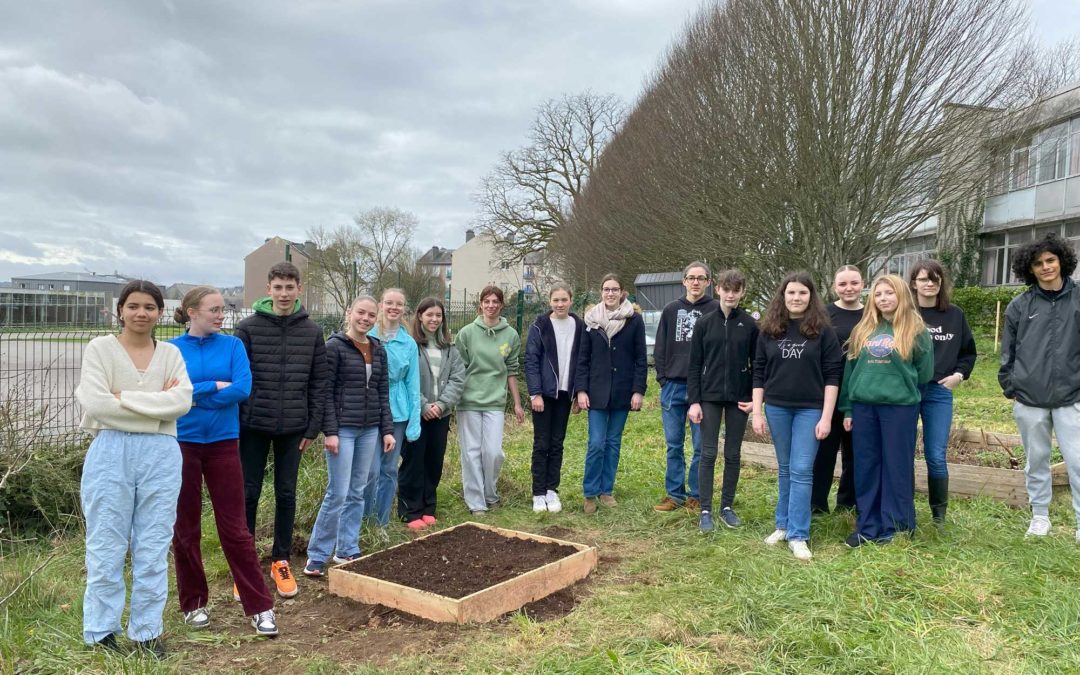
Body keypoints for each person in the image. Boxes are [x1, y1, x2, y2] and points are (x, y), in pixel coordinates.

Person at [76, 280, 193, 657]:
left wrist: (122, 399)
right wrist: (155, 406)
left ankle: (146, 631)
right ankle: (101, 630)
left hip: (161, 454)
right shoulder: (101, 350)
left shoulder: (171, 354)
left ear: (160, 312)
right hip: (110, 452)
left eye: (149, 307)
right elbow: (96, 403)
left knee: (153, 543)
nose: (141, 313)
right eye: (133, 306)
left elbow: (181, 401)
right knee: (106, 543)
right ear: (120, 310)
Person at [170, 287, 278, 637]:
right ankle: (193, 603)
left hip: (223, 443)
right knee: (185, 529)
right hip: (181, 443)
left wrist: (195, 396)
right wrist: (211, 387)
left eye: (223, 309)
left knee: (235, 529)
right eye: (214, 310)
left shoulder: (233, 346)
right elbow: (171, 394)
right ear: (191, 313)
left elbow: (242, 388)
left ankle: (260, 607)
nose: (221, 315)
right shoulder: (171, 350)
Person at [236, 262, 327, 598]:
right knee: (249, 493)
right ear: (268, 289)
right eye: (278, 287)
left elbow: (319, 383)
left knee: (286, 494)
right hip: (253, 426)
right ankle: (244, 566)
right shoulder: (247, 329)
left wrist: (312, 427)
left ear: (299, 290)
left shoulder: (312, 332)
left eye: (290, 288)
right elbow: (238, 379)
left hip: (294, 428)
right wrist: (242, 418)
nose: (284, 294)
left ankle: (280, 560)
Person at [752, 272, 843, 561]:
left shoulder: (823, 331)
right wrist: (757, 411)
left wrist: (826, 417)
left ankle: (799, 534)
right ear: (782, 296)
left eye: (802, 293)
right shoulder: (769, 329)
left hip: (810, 409)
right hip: (777, 407)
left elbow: (832, 376)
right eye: (790, 293)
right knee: (785, 468)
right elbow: (758, 372)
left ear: (811, 297)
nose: (796, 298)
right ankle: (782, 524)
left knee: (803, 470)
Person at [303, 296, 395, 576]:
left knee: (357, 490)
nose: (365, 319)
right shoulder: (334, 348)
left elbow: (382, 392)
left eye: (370, 315)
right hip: (342, 430)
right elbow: (325, 393)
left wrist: (387, 430)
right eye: (360, 313)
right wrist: (330, 432)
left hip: (369, 429)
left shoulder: (378, 349)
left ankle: (346, 549)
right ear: (349, 313)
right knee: (338, 492)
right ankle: (317, 555)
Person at [840, 275, 934, 547]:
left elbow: (924, 372)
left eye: (889, 293)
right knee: (866, 466)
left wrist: (903, 393)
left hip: (899, 408)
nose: (883, 298)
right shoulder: (864, 330)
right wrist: (848, 409)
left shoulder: (916, 330)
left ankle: (896, 527)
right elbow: (850, 372)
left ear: (901, 296)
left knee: (896, 467)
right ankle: (868, 525)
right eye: (878, 294)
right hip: (864, 407)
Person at [998, 233, 1080, 540]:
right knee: (1037, 460)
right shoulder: (1019, 306)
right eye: (1038, 263)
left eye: (1050, 260)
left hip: (1073, 396)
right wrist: (1011, 386)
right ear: (1029, 269)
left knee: (1078, 460)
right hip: (1030, 399)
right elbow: (1008, 353)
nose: (1045, 267)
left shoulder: (1079, 298)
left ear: (1061, 261)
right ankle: (1040, 517)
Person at [687, 269, 757, 532]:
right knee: (708, 452)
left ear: (742, 293)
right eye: (726, 289)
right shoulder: (704, 323)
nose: (730, 294)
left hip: (739, 399)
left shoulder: (749, 325)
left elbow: (758, 365)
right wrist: (694, 401)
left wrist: (753, 397)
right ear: (717, 289)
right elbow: (694, 365)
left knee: (733, 454)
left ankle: (727, 506)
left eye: (735, 290)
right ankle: (705, 509)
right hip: (710, 397)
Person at [909, 260, 977, 526]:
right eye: (924, 279)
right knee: (903, 452)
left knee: (935, 455)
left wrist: (959, 376)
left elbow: (968, 352)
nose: (929, 284)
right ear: (913, 283)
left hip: (939, 392)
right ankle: (904, 509)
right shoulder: (905, 313)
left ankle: (939, 516)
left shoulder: (954, 315)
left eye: (934, 279)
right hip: (907, 391)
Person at [576, 274, 648, 514]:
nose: (610, 294)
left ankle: (606, 490)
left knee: (613, 442)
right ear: (601, 292)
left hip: (622, 391)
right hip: (595, 391)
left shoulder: (634, 320)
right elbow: (582, 358)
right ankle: (589, 493)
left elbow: (640, 358)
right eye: (606, 289)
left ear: (622, 292)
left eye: (614, 290)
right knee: (596, 443)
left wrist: (638, 390)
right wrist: (581, 390)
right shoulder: (590, 320)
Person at [653, 262, 720, 513]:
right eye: (691, 278)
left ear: (708, 282)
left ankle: (697, 494)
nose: (695, 282)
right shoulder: (671, 310)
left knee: (701, 446)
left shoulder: (715, 310)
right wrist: (663, 378)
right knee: (674, 444)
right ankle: (674, 495)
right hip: (673, 386)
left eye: (700, 278)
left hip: (703, 390)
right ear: (683, 281)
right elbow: (660, 346)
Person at [455, 286, 525, 514]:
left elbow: (512, 370)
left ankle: (490, 492)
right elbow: (459, 369)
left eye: (495, 301)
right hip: (469, 400)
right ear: (481, 304)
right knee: (471, 452)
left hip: (495, 401)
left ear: (501, 305)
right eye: (487, 301)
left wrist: (516, 403)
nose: (491, 305)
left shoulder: (511, 335)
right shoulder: (466, 333)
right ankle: (476, 503)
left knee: (493, 452)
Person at [398, 297, 465, 528]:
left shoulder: (450, 348)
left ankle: (428, 507)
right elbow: (407, 379)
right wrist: (425, 405)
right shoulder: (410, 345)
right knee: (413, 461)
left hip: (441, 414)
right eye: (429, 315)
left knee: (434, 461)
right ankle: (410, 510)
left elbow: (458, 379)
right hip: (416, 414)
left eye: (438, 315)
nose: (434, 319)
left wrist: (441, 405)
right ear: (419, 316)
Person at [524, 282, 585, 513]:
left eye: (564, 300)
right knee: (541, 443)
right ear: (549, 301)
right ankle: (538, 492)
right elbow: (531, 361)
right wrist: (535, 393)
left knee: (557, 443)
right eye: (556, 300)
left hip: (565, 394)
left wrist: (579, 391)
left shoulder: (579, 326)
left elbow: (582, 361)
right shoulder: (539, 326)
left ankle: (552, 490)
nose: (560, 304)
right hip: (544, 394)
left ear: (571, 300)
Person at [365, 288, 421, 527]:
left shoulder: (408, 343)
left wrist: (414, 419)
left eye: (399, 304)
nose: (393, 308)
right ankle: (362, 520)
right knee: (368, 470)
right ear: (381, 305)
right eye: (389, 303)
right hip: (368, 408)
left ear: (404, 308)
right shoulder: (367, 335)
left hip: (397, 411)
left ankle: (381, 523)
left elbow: (413, 383)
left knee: (388, 469)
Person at [810, 265, 864, 514]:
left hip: (859, 394)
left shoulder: (872, 315)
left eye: (854, 283)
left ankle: (847, 503)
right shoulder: (823, 315)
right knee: (824, 452)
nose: (848, 288)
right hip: (827, 393)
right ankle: (817, 504)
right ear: (834, 287)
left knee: (854, 453)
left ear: (863, 284)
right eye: (842, 284)